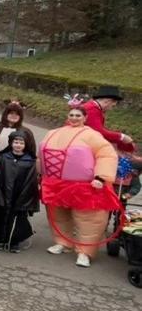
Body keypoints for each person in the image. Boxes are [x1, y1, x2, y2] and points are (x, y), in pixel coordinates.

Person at [40, 106, 120, 267]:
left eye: (78, 115)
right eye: (71, 115)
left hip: (86, 186)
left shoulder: (92, 135)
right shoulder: (52, 133)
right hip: (56, 184)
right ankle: (62, 242)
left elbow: (106, 154)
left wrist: (101, 177)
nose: (74, 118)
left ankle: (85, 251)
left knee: (89, 219)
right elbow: (40, 157)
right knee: (58, 216)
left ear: (85, 117)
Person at [0, 131, 39, 252]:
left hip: (20, 195)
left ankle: (14, 242)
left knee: (17, 219)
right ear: (11, 143)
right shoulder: (3, 158)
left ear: (26, 145)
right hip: (3, 194)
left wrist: (25, 196)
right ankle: (0, 240)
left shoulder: (29, 161)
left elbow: (31, 181)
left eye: (21, 143)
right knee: (0, 218)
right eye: (16, 142)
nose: (18, 145)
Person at [82, 86, 135, 153]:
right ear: (107, 101)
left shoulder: (92, 107)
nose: (111, 109)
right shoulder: (92, 109)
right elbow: (99, 132)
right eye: (112, 105)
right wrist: (122, 137)